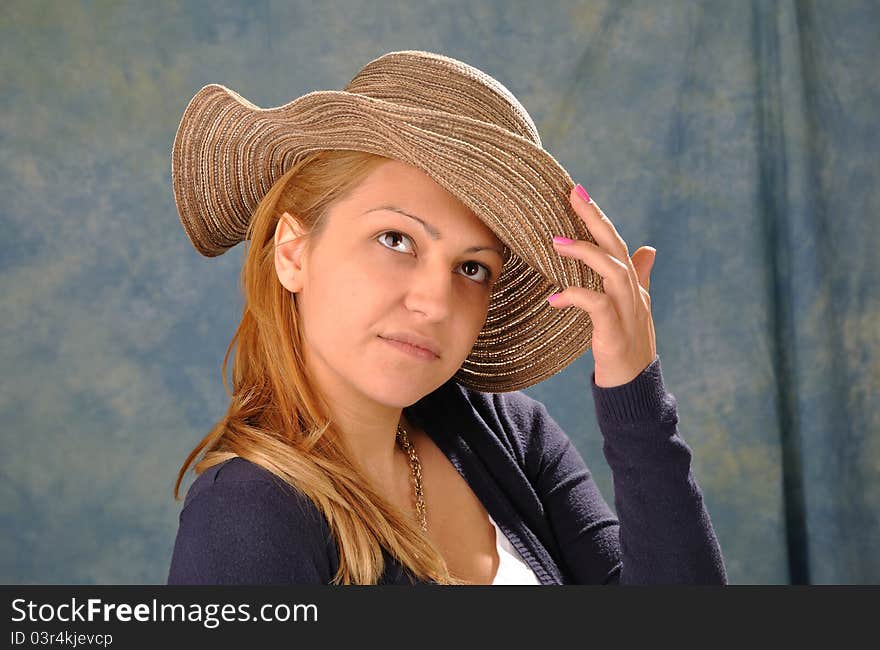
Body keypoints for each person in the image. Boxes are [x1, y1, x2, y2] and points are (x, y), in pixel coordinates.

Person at [166, 50, 727, 585]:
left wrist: (634, 390)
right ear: (293, 251)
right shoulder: (244, 515)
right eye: (395, 239)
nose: (435, 303)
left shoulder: (509, 436)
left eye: (473, 268)